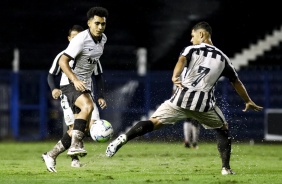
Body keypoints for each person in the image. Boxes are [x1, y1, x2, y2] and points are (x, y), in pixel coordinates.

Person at [105, 21, 263, 175]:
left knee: (153, 122)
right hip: (204, 106)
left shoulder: (192, 49)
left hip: (181, 99)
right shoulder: (224, 59)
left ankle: (122, 139)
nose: (191, 39)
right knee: (223, 129)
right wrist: (247, 100)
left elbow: (182, 60)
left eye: (192, 35)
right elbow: (236, 81)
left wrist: (175, 76)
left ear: (201, 34)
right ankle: (225, 169)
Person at [42, 6, 109, 172]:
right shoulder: (80, 40)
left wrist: (98, 93)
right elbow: (62, 62)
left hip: (84, 86)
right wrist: (75, 80)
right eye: (97, 23)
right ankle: (75, 147)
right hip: (70, 84)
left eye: (103, 24)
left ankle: (51, 155)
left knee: (81, 128)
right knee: (88, 106)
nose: (100, 27)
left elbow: (95, 70)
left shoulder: (103, 39)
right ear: (89, 23)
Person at [172, 67, 201, 149]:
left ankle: (187, 141)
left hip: (183, 96)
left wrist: (176, 99)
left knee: (188, 118)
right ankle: (194, 142)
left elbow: (175, 87)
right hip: (195, 96)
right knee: (195, 119)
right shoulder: (197, 68)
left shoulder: (180, 70)